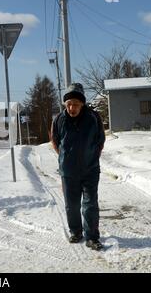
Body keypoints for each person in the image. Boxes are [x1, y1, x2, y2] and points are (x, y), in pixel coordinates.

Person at [50, 83, 105, 251]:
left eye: (75, 104)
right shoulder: (59, 119)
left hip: (90, 170)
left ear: (82, 103)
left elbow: (100, 140)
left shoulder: (93, 118)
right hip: (68, 171)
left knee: (90, 204)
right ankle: (76, 231)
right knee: (72, 204)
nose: (72, 108)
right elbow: (55, 141)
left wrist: (92, 157)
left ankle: (92, 237)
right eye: (69, 104)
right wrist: (66, 159)